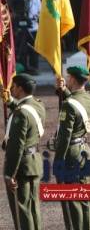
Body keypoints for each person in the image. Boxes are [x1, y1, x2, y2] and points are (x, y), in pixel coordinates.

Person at [54, 66, 90, 230]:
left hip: (71, 154)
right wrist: (64, 90)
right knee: (84, 197)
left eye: (69, 77)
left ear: (72, 79)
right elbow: (77, 104)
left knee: (73, 201)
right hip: (84, 150)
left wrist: (58, 160)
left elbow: (65, 137)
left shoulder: (68, 105)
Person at [4, 74, 45, 230]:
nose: (12, 89)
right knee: (33, 207)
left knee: (22, 210)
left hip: (21, 165)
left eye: (13, 86)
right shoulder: (38, 105)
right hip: (34, 162)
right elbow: (25, 109)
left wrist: (10, 174)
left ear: (20, 89)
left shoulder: (21, 113)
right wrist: (10, 101)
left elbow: (16, 147)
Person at [15, 0, 41, 75]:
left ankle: (34, 68)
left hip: (34, 28)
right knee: (23, 49)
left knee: (33, 49)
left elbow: (40, 11)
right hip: (23, 29)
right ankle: (23, 67)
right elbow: (18, 10)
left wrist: (36, 16)